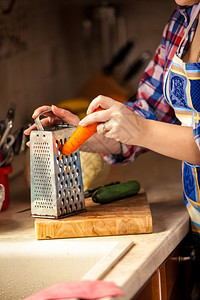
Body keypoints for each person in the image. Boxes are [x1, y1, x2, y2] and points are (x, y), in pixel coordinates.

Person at [25, 0, 200, 296]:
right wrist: (89, 130)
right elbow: (150, 110)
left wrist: (141, 129)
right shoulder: (182, 21)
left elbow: (145, 127)